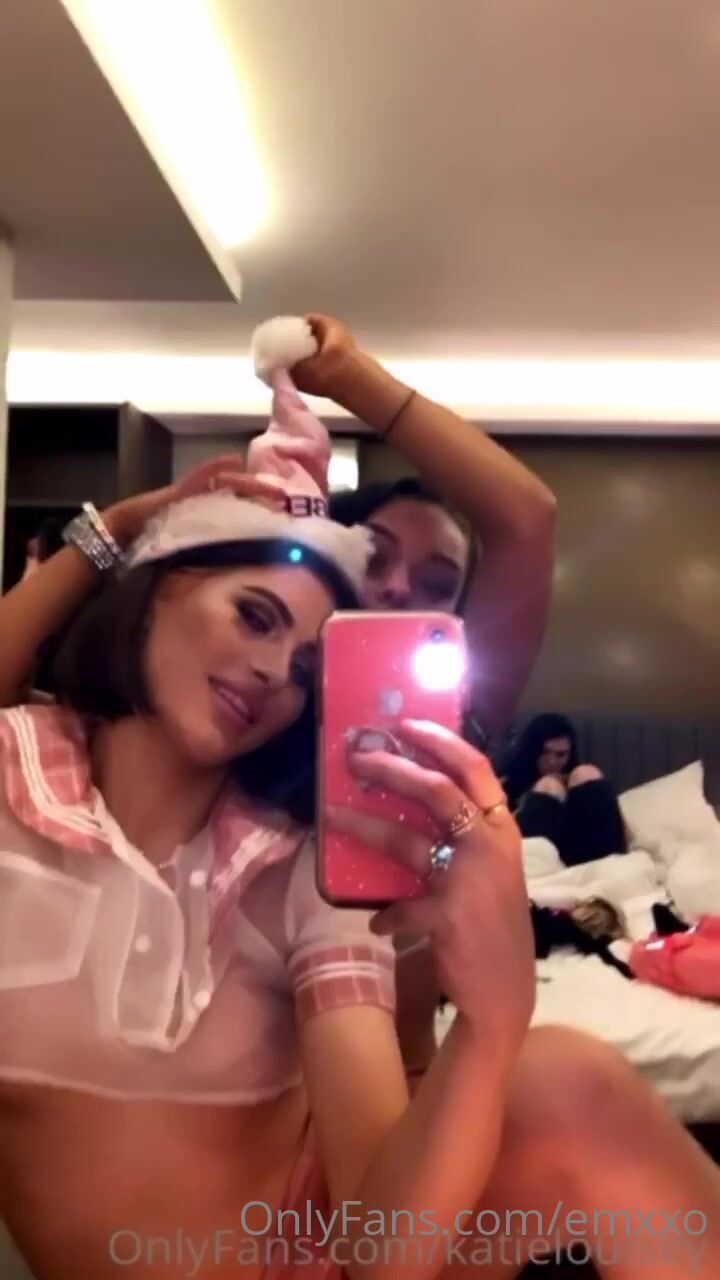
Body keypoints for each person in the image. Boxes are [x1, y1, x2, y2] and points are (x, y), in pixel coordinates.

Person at [1, 321, 719, 1280]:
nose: (383, 598)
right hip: (325, 1180)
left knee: (563, 1076)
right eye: (370, 559)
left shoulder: (381, 793)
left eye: (431, 588)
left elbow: (525, 521)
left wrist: (494, 1008)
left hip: (364, 1169)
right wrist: (125, 526)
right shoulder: (36, 767)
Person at [502, 713, 629, 867]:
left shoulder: (578, 781)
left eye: (560, 755)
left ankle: (613, 866)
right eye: (544, 752)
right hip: (538, 851)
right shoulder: (508, 784)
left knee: (587, 772)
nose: (551, 761)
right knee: (549, 785)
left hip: (582, 850)